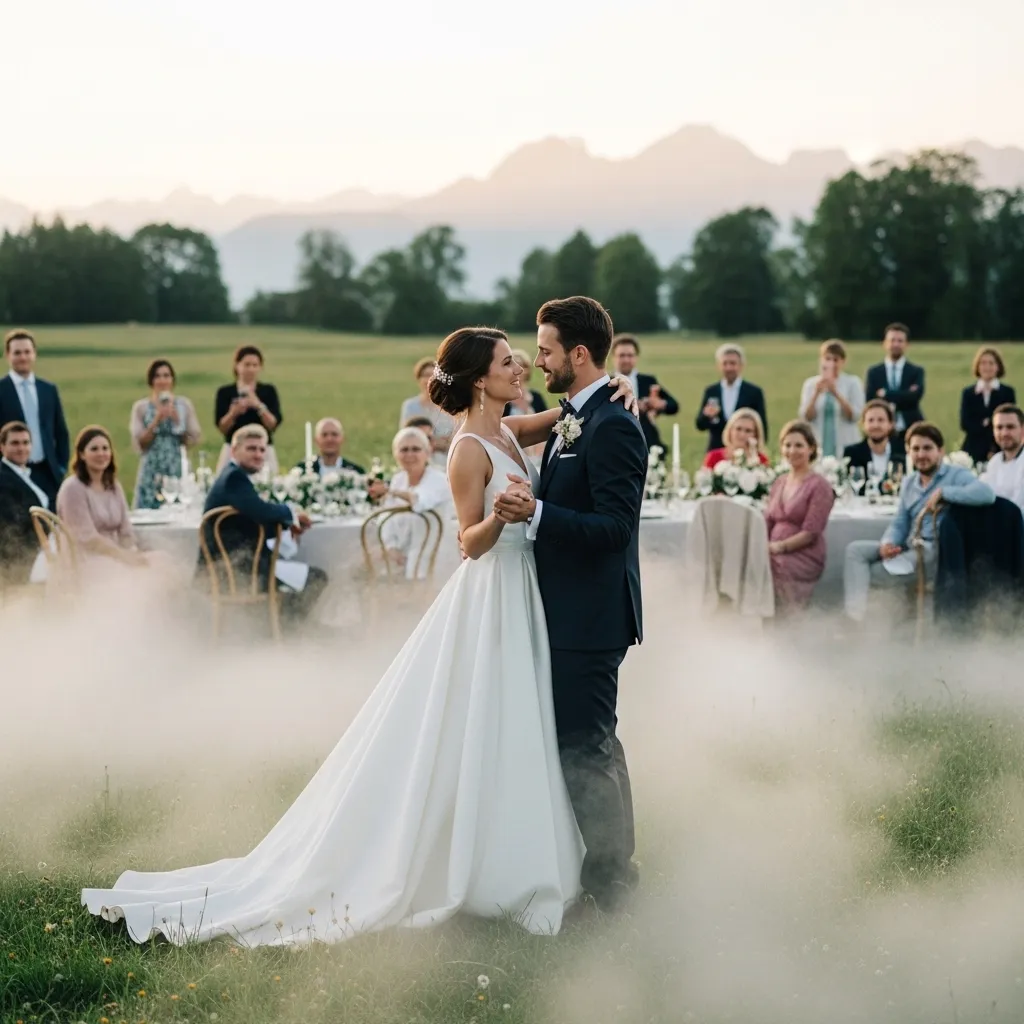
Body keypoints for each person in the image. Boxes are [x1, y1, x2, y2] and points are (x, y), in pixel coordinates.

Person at [82, 325, 638, 945]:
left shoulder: (507, 429)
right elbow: (467, 543)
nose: (522, 368)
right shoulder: (465, 451)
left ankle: (520, 848)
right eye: (510, 362)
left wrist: (612, 386)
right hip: (492, 592)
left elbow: (568, 416)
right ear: (482, 378)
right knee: (480, 715)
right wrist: (503, 518)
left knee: (514, 719)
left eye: (522, 358)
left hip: (523, 598)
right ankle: (473, 864)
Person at [493, 296, 647, 913]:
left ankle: (611, 886)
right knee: (595, 744)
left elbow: (615, 528)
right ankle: (614, 872)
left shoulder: (612, 425)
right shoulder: (575, 414)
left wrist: (539, 512)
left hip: (591, 616)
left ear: (578, 354)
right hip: (569, 614)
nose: (538, 361)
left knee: (588, 748)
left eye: (547, 350)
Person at [842, 422, 995, 624]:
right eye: (915, 449)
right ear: (908, 452)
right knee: (855, 551)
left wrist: (945, 493)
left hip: (932, 552)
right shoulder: (910, 482)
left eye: (927, 448)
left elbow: (987, 494)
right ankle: (855, 619)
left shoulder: (955, 475)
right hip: (907, 546)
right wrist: (888, 542)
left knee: (870, 574)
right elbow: (900, 521)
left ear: (940, 451)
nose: (921, 454)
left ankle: (866, 621)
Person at [202, 425, 327, 619]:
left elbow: (247, 520)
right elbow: (259, 510)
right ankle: (290, 629)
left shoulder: (232, 476)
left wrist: (285, 525)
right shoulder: (234, 478)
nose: (259, 455)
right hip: (237, 570)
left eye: (262, 450)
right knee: (316, 578)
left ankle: (283, 626)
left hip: (236, 564)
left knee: (299, 576)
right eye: (251, 449)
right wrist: (291, 514)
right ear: (234, 451)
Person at [55, 426, 154, 579]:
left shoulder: (113, 485)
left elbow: (125, 529)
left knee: (161, 562)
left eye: (105, 449)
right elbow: (87, 538)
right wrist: (123, 556)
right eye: (94, 449)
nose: (101, 454)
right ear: (82, 454)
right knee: (139, 574)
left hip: (116, 553)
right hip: (85, 558)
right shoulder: (73, 488)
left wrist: (132, 552)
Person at [763, 421, 835, 613]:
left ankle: (788, 622)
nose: (792, 450)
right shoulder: (780, 482)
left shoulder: (819, 486)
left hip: (802, 553)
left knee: (772, 565)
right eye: (787, 445)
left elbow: (811, 532)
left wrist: (779, 547)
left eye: (798, 445)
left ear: (811, 449)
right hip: (773, 549)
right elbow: (768, 520)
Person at [0, 329, 70, 508]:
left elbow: (60, 432)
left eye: (27, 352)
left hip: (47, 471)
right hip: (11, 473)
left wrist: (60, 467)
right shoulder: (2, 390)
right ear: (8, 355)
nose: (23, 357)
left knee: (51, 525)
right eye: (17, 352)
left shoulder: (48, 389)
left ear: (34, 354)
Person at [377, 427, 452, 577]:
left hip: (434, 560)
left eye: (416, 449)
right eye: (404, 450)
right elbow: (385, 519)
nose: (409, 455)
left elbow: (419, 501)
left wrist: (389, 492)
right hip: (402, 562)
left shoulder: (439, 480)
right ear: (395, 454)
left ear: (427, 452)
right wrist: (390, 547)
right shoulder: (399, 479)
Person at [130, 359, 202, 509]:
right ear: (151, 381)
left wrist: (177, 421)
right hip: (152, 465)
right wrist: (156, 421)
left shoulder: (184, 405)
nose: (162, 380)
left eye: (166, 375)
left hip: (175, 464)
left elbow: (192, 439)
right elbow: (140, 443)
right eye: (158, 376)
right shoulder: (141, 407)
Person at [214, 345, 282, 474]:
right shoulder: (225, 392)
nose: (251, 369)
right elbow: (222, 427)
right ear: (237, 366)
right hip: (233, 448)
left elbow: (273, 424)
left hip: (262, 448)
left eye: (255, 365)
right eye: (247, 365)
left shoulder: (268, 391)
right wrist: (234, 412)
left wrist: (258, 405)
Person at [798, 339, 865, 458]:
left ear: (842, 361)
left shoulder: (853, 383)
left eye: (836, 360)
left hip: (846, 442)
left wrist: (835, 393)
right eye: (828, 359)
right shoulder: (810, 384)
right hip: (819, 441)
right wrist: (816, 393)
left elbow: (854, 416)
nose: (832, 364)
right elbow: (806, 417)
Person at [610, 334, 679, 450]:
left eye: (630, 355)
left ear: (636, 357)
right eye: (622, 355)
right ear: (613, 358)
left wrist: (660, 404)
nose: (626, 360)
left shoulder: (648, 381)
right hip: (615, 442)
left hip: (647, 442)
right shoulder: (607, 383)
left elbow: (674, 406)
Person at [695, 343, 768, 452]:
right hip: (716, 450)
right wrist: (706, 416)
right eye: (725, 363)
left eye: (733, 363)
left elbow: (762, 427)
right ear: (719, 365)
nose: (729, 368)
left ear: (741, 365)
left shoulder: (754, 392)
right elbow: (700, 425)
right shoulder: (711, 391)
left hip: (745, 451)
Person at [0, 421, 47, 586]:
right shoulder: (3, 480)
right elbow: (13, 524)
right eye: (14, 443)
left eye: (25, 443)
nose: (21, 448)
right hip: (20, 560)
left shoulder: (25, 476)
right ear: (2, 447)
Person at [864, 323, 925, 438]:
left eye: (900, 341)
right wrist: (904, 394)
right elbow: (871, 400)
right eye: (892, 340)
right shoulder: (874, 372)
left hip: (911, 429)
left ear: (907, 344)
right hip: (881, 431)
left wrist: (886, 394)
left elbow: (914, 397)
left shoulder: (916, 371)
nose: (896, 344)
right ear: (885, 343)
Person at [959, 346, 1015, 465]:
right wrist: (987, 424)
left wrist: (992, 447)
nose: (987, 367)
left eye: (991, 363)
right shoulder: (968, 393)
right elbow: (965, 423)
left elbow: (1009, 421)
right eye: (983, 363)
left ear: (998, 366)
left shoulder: (1007, 392)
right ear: (978, 366)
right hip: (973, 448)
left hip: (999, 448)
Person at [399, 357, 456, 465]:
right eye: (424, 375)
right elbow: (405, 437)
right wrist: (434, 443)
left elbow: (455, 440)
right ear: (418, 379)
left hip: (446, 462)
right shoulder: (410, 406)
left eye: (432, 375)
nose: (428, 379)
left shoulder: (450, 407)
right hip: (417, 462)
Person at [842, 399, 906, 481]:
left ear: (891, 424)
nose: (875, 425)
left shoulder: (902, 451)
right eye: (870, 420)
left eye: (880, 420)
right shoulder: (852, 453)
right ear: (863, 424)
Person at [980, 404, 1024, 516]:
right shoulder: (995, 462)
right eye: (999, 427)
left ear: (1022, 429)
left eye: (1010, 427)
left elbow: (1018, 506)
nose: (1004, 433)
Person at [702, 408, 770, 469]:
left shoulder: (761, 460)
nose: (742, 434)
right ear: (730, 430)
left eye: (748, 431)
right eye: (738, 429)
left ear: (756, 435)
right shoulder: (713, 457)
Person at [298, 417, 365, 476]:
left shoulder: (355, 472)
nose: (329, 439)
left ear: (342, 439)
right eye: (324, 435)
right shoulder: (302, 471)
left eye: (334, 434)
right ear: (316, 440)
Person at [502, 348, 548, 416]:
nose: (517, 371)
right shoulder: (502, 399)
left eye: (521, 366)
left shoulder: (536, 397)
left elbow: (547, 422)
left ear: (527, 371)